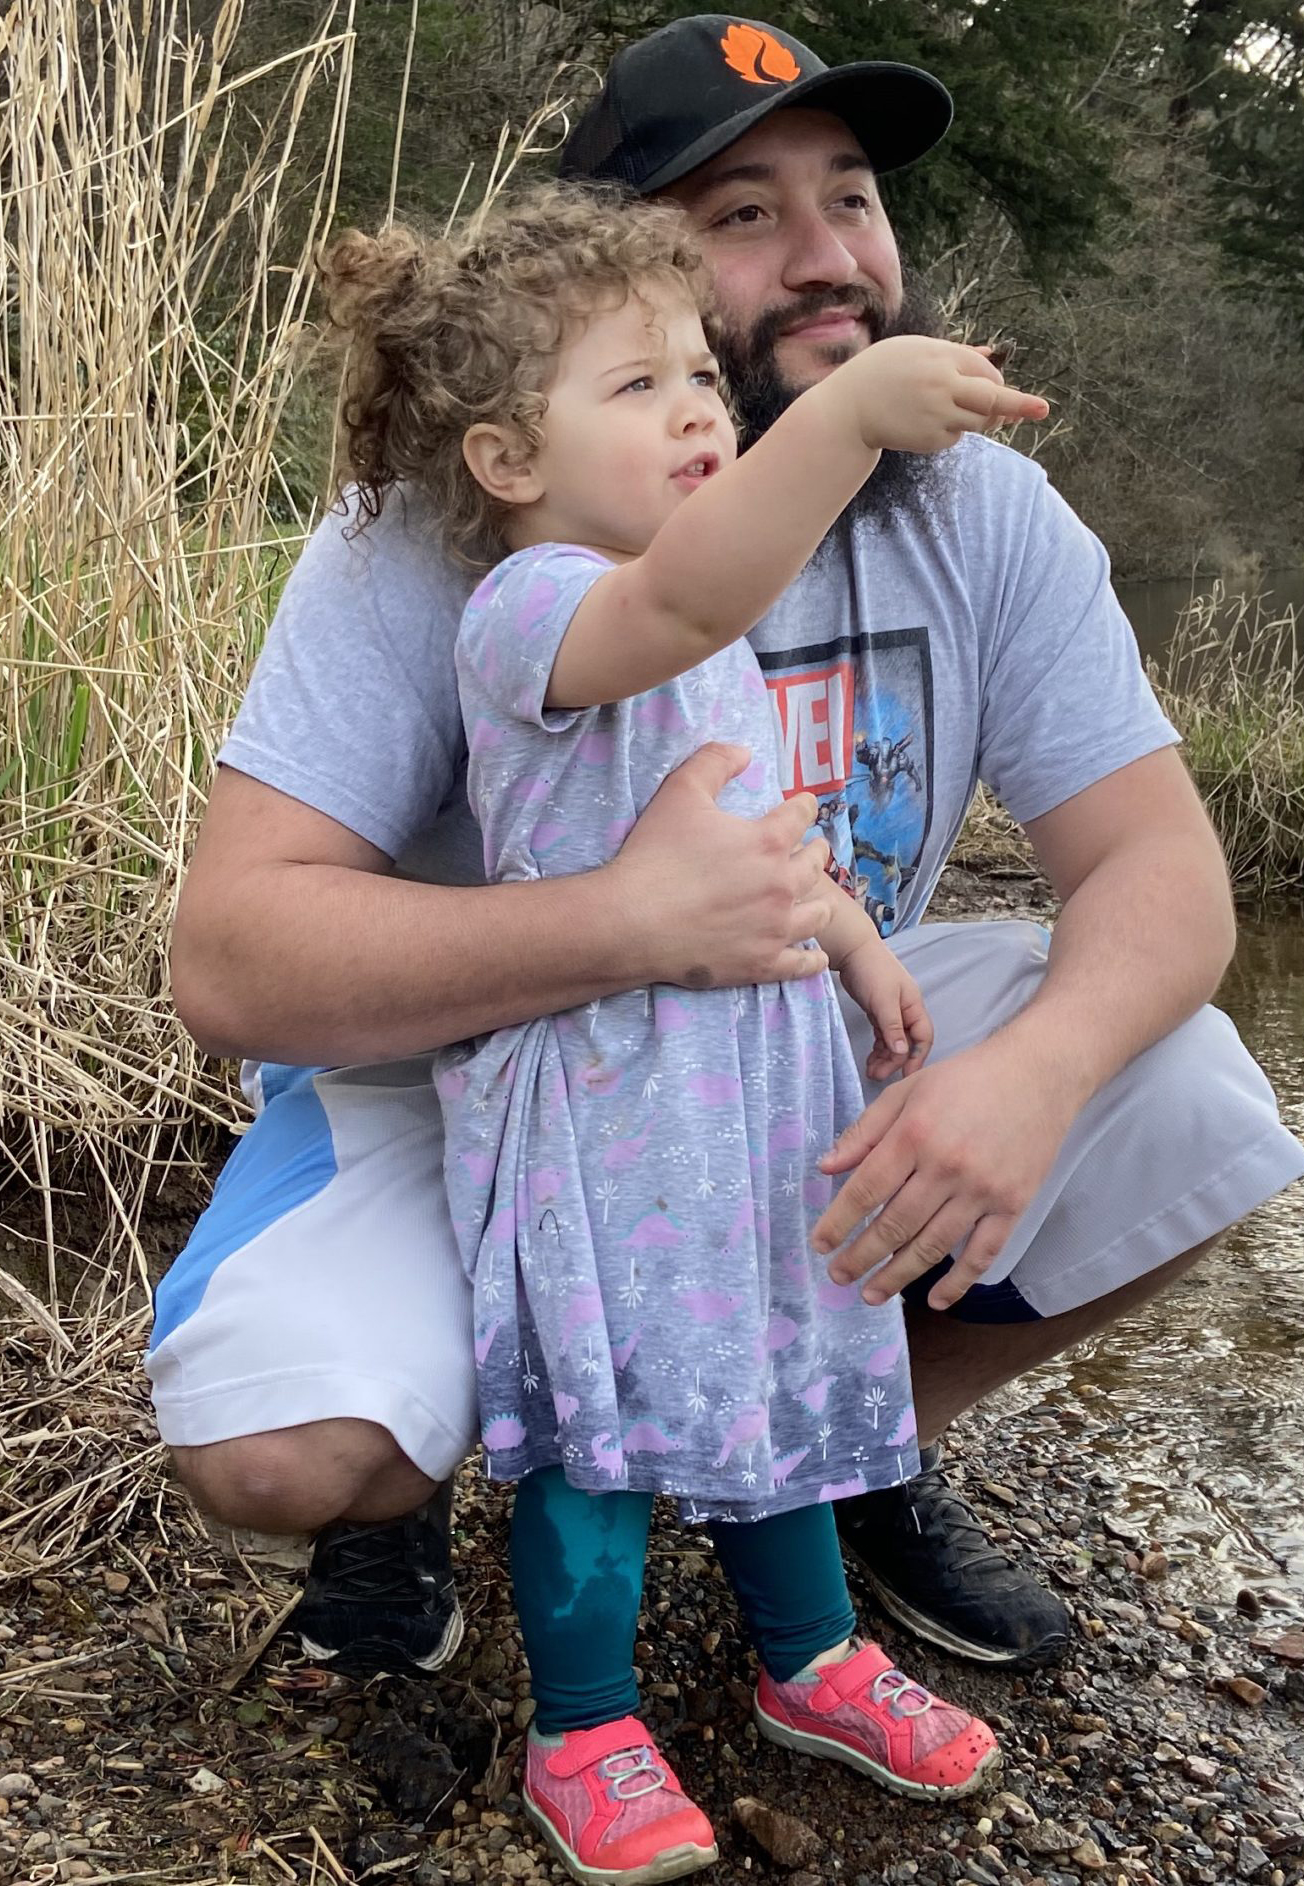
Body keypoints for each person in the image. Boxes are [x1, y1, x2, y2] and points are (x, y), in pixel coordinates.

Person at [150, 11, 1304, 1690]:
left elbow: (1167, 878)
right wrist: (623, 922)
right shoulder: (451, 526)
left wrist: (1033, 1075)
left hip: (771, 1049)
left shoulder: (980, 508)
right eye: (746, 216)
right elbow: (234, 958)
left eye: (852, 196)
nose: (830, 257)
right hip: (480, 1077)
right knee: (290, 1443)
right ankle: (420, 1485)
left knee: (1191, 1096)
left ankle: (831, 1459)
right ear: (620, 283)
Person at [323, 183, 1039, 1878]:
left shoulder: (697, 612)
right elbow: (692, 606)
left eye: (701, 376)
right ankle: (582, 1718)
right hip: (610, 1103)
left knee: (783, 1363)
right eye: (637, 386)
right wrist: (851, 416)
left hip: (753, 1097)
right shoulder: (539, 609)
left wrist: (859, 943)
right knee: (608, 1414)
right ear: (509, 460)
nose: (702, 408)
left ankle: (810, 1659)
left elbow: (767, 822)